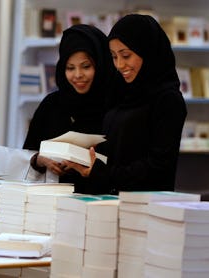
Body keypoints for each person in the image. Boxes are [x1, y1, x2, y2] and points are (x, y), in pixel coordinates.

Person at [63, 14, 187, 195]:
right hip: (111, 200)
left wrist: (102, 172)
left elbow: (158, 166)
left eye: (126, 55)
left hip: (145, 206)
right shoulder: (121, 92)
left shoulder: (168, 100)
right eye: (114, 56)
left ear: (147, 51)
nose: (120, 65)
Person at [23, 24, 114, 187]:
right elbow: (27, 154)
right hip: (49, 201)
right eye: (70, 68)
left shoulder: (115, 107)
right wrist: (39, 160)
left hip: (100, 203)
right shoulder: (51, 105)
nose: (78, 75)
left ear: (100, 64)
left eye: (86, 66)